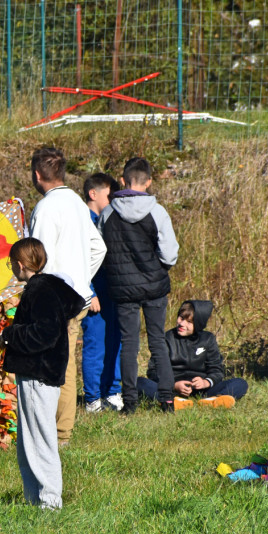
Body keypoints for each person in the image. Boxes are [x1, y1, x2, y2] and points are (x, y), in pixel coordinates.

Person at [0, 238, 85, 510]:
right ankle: (34, 498)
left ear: (20, 265)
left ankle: (49, 502)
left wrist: (9, 336)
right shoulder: (47, 287)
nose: (11, 267)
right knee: (29, 441)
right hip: (39, 373)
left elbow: (45, 334)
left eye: (12, 263)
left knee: (40, 440)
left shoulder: (40, 291)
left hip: (39, 374)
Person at [28, 147, 106, 444]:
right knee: (65, 362)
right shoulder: (76, 202)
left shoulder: (47, 208)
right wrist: (82, 278)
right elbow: (99, 247)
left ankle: (58, 433)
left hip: (54, 300)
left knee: (56, 363)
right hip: (77, 297)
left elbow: (39, 259)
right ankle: (59, 430)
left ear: (37, 175)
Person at [98, 157, 179, 414]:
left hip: (122, 290)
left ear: (123, 181)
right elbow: (170, 255)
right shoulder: (157, 211)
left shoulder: (108, 212)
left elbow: (99, 252)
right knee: (157, 341)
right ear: (149, 181)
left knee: (128, 343)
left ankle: (129, 402)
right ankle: (166, 399)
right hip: (154, 287)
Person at [136, 300, 248, 409]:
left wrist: (206, 382)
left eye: (189, 322)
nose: (182, 323)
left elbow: (217, 370)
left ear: (198, 324)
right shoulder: (166, 338)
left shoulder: (208, 339)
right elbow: (153, 371)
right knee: (138, 382)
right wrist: (174, 385)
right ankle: (174, 400)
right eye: (181, 318)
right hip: (171, 389)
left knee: (240, 383)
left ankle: (213, 400)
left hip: (204, 391)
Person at [81, 173, 123, 412]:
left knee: (114, 341)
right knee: (95, 345)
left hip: (113, 292)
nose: (112, 200)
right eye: (109, 195)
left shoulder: (108, 219)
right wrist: (90, 292)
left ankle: (112, 391)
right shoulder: (83, 222)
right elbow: (80, 261)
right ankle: (93, 398)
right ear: (93, 194)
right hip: (95, 294)